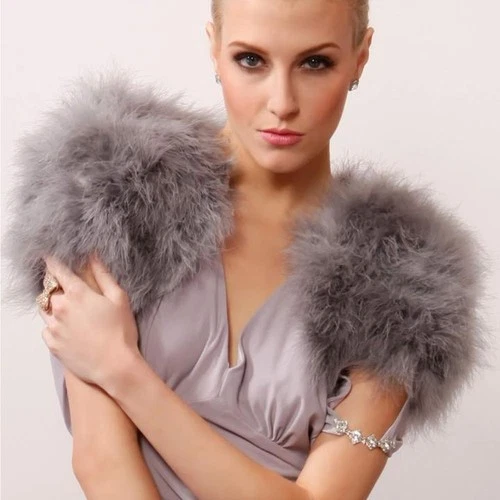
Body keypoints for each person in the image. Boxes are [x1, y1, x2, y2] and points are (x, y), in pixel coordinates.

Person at [2, 0, 487, 499]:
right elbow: (100, 462)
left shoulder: (405, 279)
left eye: (315, 62)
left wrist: (122, 371)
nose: (282, 102)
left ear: (360, 57)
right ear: (214, 48)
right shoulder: (111, 191)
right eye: (251, 60)